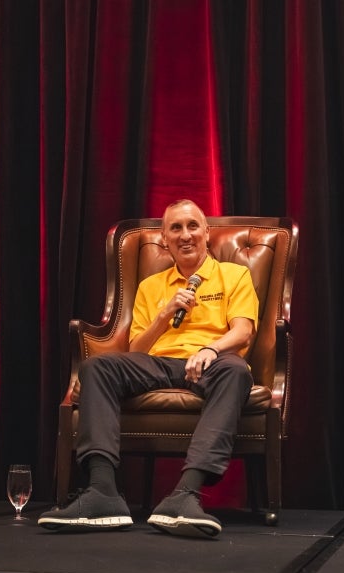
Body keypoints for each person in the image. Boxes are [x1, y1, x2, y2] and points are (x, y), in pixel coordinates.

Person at [39, 199, 259, 538]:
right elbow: (135, 350)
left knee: (237, 371)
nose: (186, 235)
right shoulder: (151, 285)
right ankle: (102, 493)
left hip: (212, 362)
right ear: (165, 239)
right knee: (98, 367)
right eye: (176, 228)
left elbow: (243, 330)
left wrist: (209, 349)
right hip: (158, 364)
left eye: (192, 226)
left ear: (207, 233)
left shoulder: (234, 274)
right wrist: (162, 315)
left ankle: (185, 495)